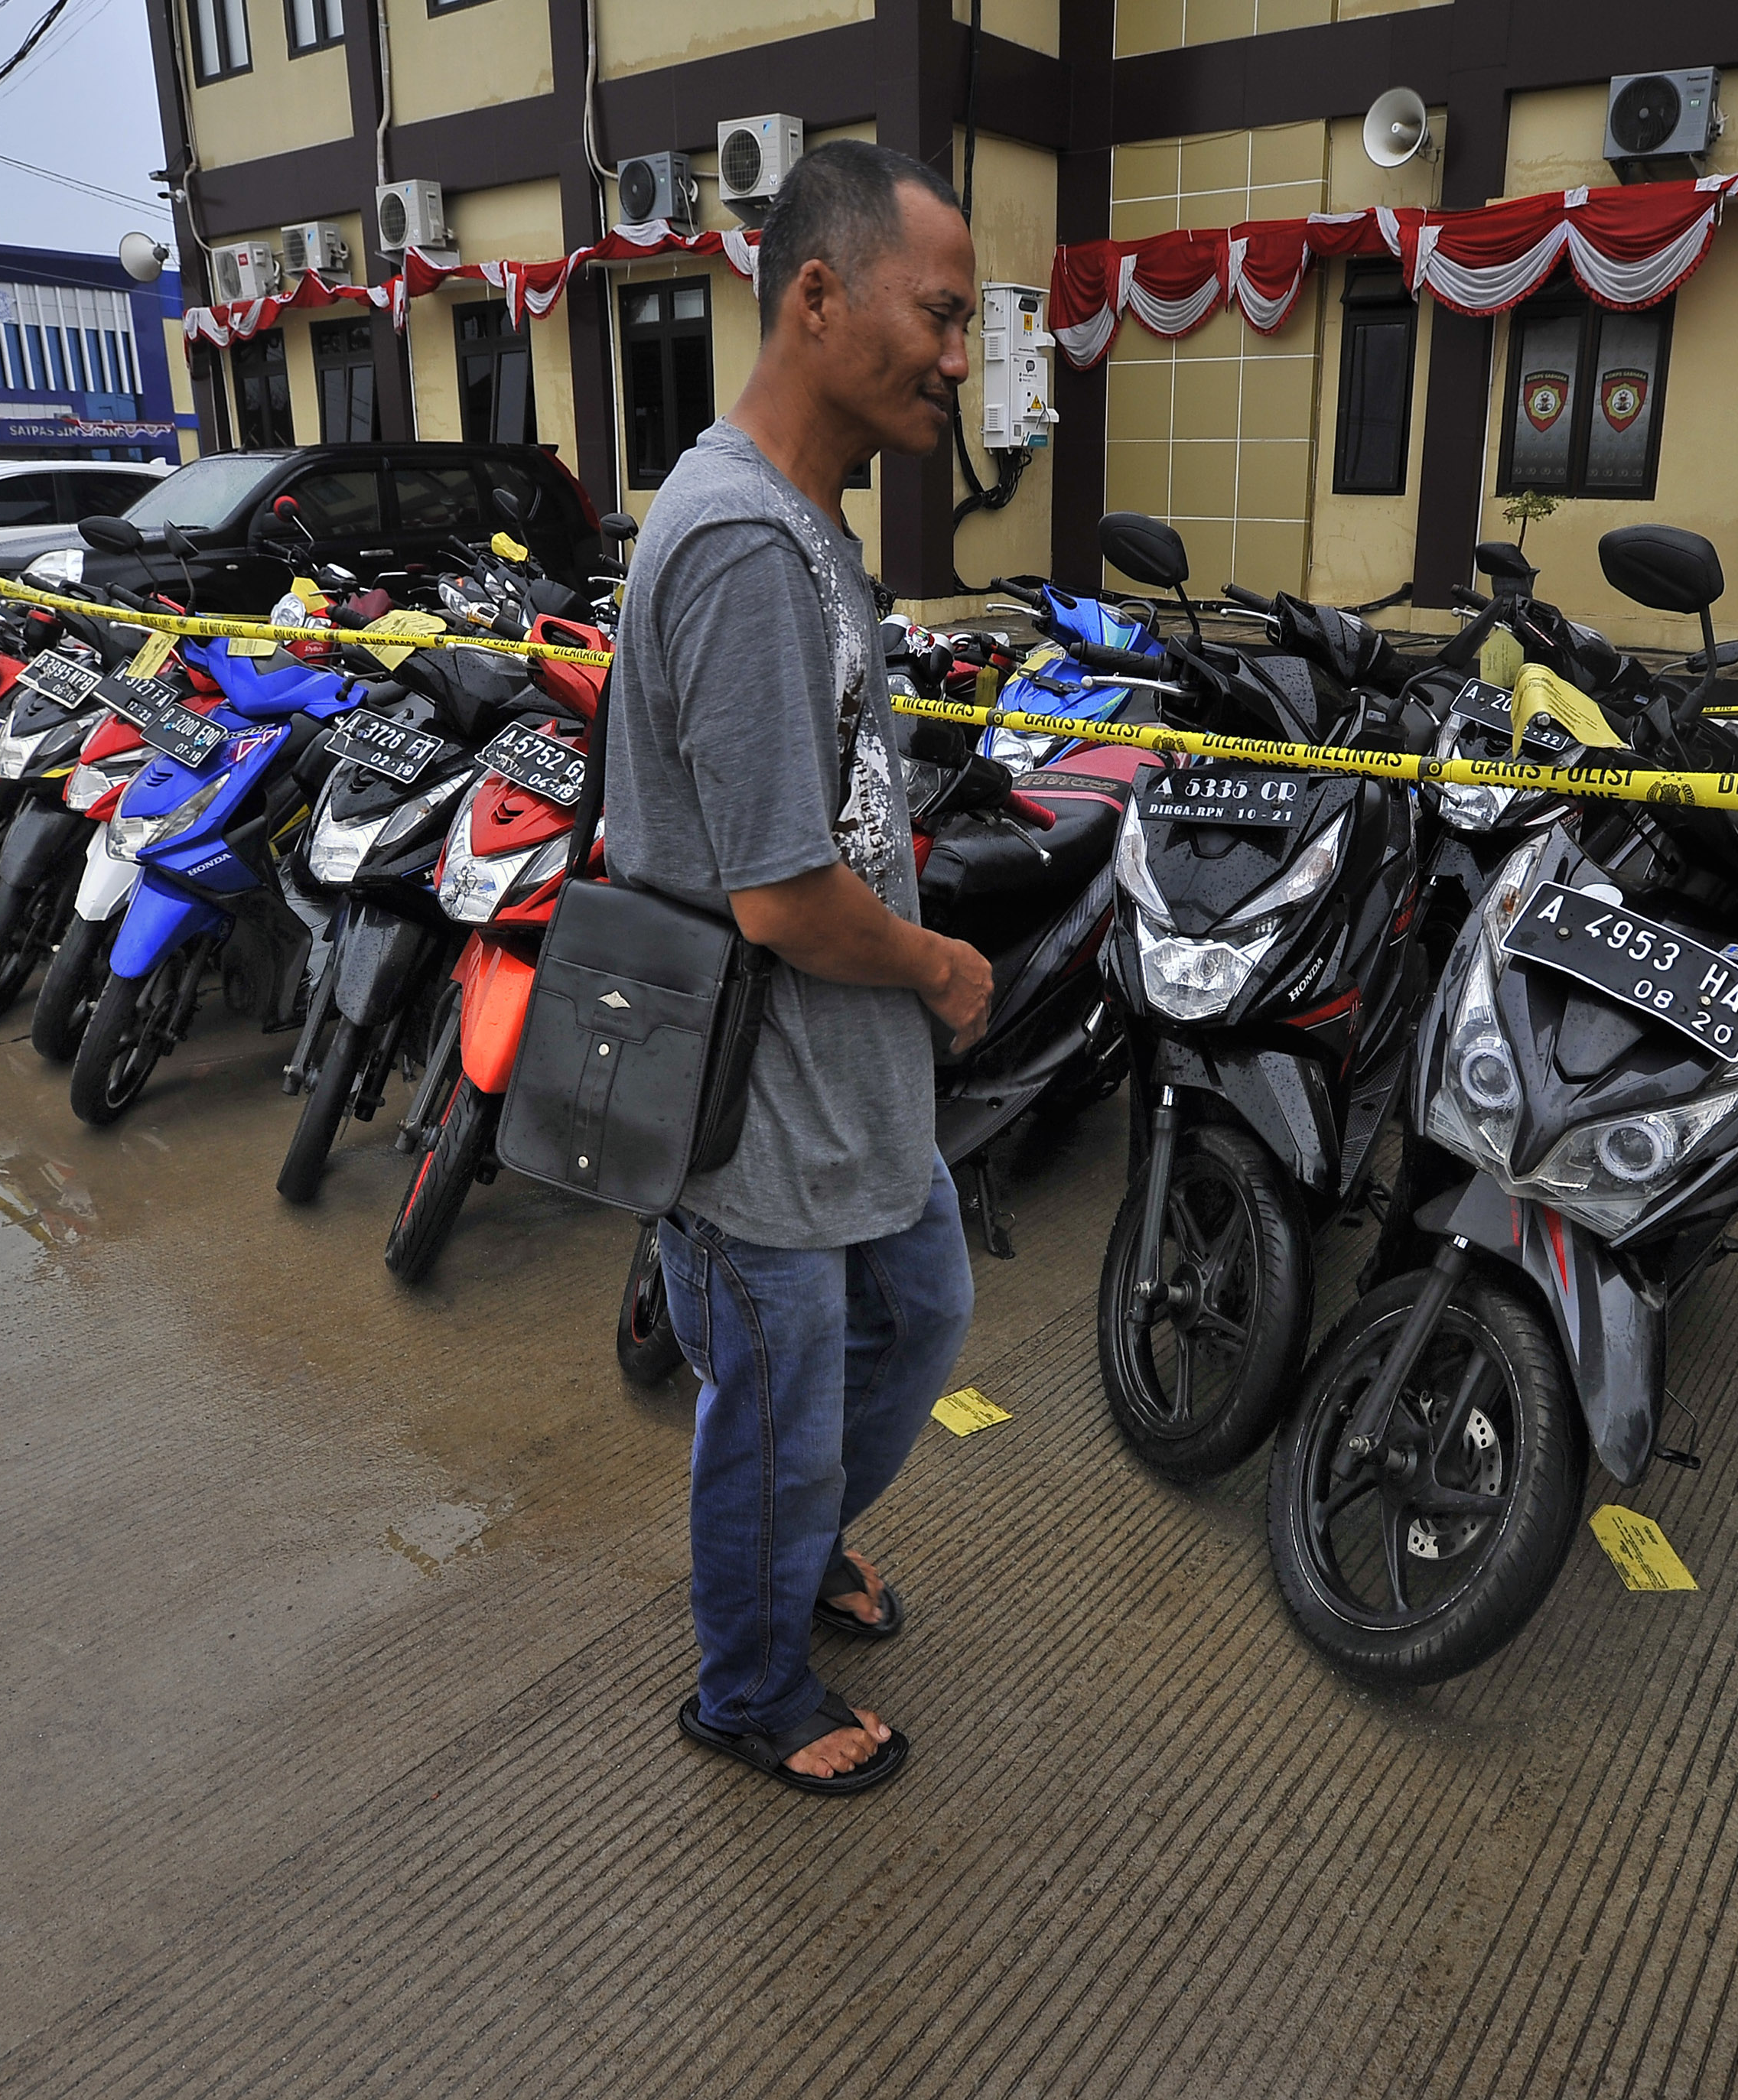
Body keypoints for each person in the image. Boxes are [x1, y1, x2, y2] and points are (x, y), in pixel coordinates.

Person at [605, 142, 991, 1796]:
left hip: (847, 1092)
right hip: (759, 1106)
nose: (963, 362)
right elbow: (775, 891)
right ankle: (749, 1681)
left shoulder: (800, 524)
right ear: (818, 294)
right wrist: (936, 966)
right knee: (771, 1404)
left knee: (919, 1307)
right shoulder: (747, 546)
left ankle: (801, 1532)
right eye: (943, 315)